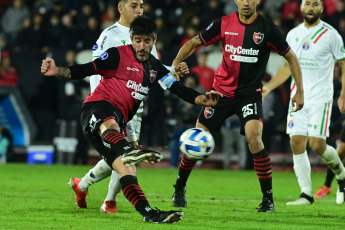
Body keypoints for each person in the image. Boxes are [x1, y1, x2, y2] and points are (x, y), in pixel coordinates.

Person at [41, 15, 221, 223]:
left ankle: (149, 214)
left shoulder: (154, 68)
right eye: (137, 40)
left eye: (146, 41)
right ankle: (129, 151)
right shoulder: (117, 55)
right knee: (111, 125)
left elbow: (178, 89)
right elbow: (87, 69)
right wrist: (58, 71)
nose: (142, 46)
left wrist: (203, 99)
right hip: (96, 109)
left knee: (127, 170)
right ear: (131, 39)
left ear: (154, 40)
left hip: (113, 128)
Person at [171, 0, 304, 213]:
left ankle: (268, 199)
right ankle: (179, 188)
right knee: (197, 138)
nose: (246, 2)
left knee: (254, 139)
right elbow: (194, 43)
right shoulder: (223, 23)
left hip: (249, 96)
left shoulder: (268, 28)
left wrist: (300, 91)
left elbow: (291, 58)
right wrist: (176, 62)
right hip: (219, 94)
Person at [68, 0, 176, 214]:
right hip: (112, 103)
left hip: (135, 100)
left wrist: (173, 70)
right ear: (121, 8)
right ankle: (108, 201)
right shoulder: (110, 36)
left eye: (141, 6)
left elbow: (152, 67)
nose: (139, 10)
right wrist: (104, 107)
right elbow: (98, 70)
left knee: (123, 152)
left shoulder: (145, 34)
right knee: (124, 152)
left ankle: (83, 186)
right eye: (133, 5)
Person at [262, 0, 345, 205]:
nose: (311, 8)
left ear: (321, 9)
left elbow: (343, 65)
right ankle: (306, 194)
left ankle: (342, 175)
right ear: (301, 8)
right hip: (297, 98)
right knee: (296, 142)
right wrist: (269, 87)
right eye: (307, 4)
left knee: (317, 145)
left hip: (321, 98)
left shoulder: (331, 34)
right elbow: (286, 67)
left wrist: (343, 93)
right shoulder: (293, 34)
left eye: (315, 4)